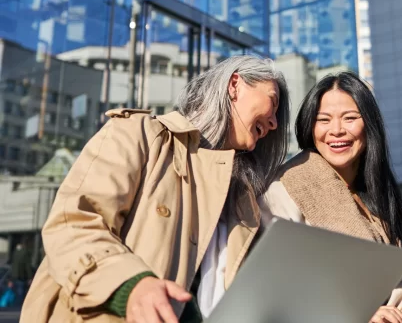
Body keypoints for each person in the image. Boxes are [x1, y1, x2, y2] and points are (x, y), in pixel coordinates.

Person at [21, 55, 289, 323]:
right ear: (234, 85)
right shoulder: (141, 135)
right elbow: (72, 224)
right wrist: (131, 285)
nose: (275, 123)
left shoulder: (245, 203)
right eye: (273, 102)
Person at [261, 71, 402, 323]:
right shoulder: (284, 188)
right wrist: (355, 314)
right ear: (310, 126)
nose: (336, 130)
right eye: (323, 120)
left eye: (350, 118)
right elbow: (276, 290)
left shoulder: (385, 196)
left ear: (369, 126)